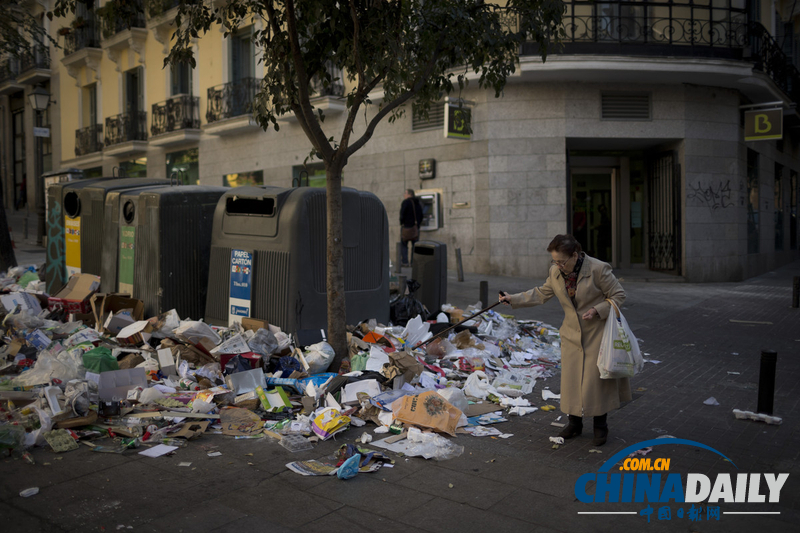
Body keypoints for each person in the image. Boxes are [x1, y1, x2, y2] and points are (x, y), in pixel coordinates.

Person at [499, 234, 630, 446]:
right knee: (572, 382)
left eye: (562, 261)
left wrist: (598, 309)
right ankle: (574, 424)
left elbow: (618, 295)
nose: (558, 265)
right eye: (555, 261)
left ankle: (600, 426)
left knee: (596, 382)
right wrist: (512, 298)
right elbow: (541, 293)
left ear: (575, 255)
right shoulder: (556, 272)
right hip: (571, 334)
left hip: (597, 333)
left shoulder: (598, 269)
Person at [399, 189, 423, 266]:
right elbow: (421, 215)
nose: (404, 195)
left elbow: (402, 214)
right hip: (415, 228)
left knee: (404, 245)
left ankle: (405, 262)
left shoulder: (406, 202)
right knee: (415, 246)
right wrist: (417, 224)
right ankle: (414, 263)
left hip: (406, 227)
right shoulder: (417, 203)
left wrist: (402, 223)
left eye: (405, 193)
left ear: (409, 194)